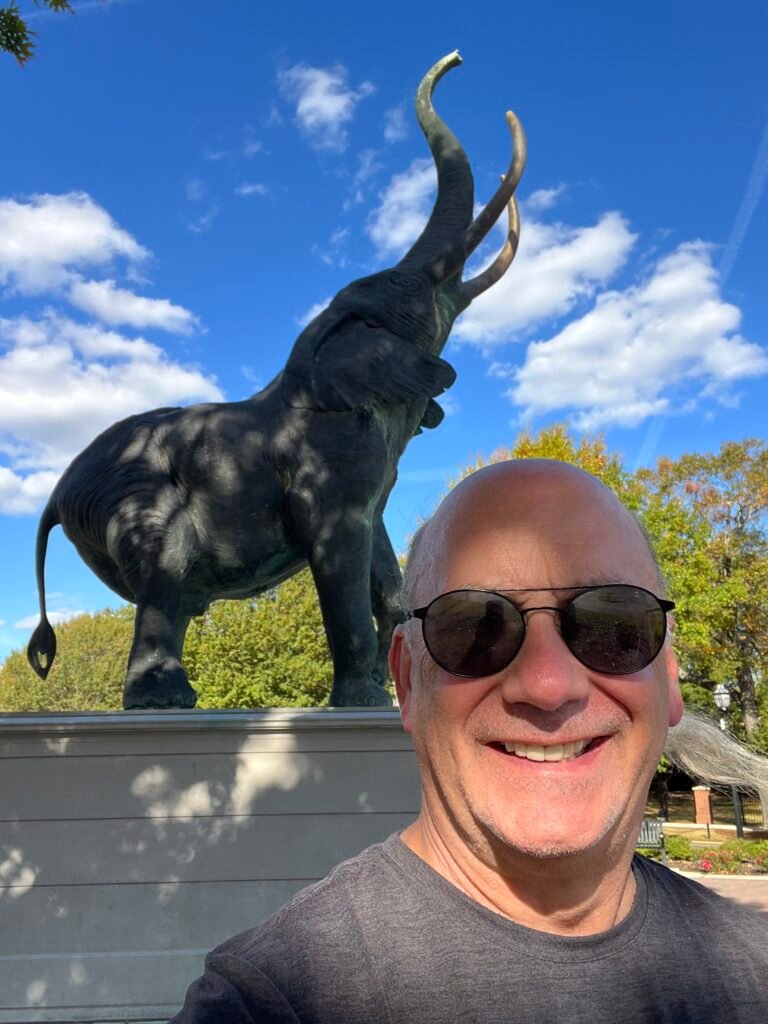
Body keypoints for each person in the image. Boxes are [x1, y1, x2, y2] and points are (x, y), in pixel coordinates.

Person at [171, 459, 768, 1023]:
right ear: (407, 681)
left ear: (667, 679)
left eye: (613, 623)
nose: (548, 683)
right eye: (477, 627)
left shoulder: (756, 970)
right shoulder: (276, 1002)